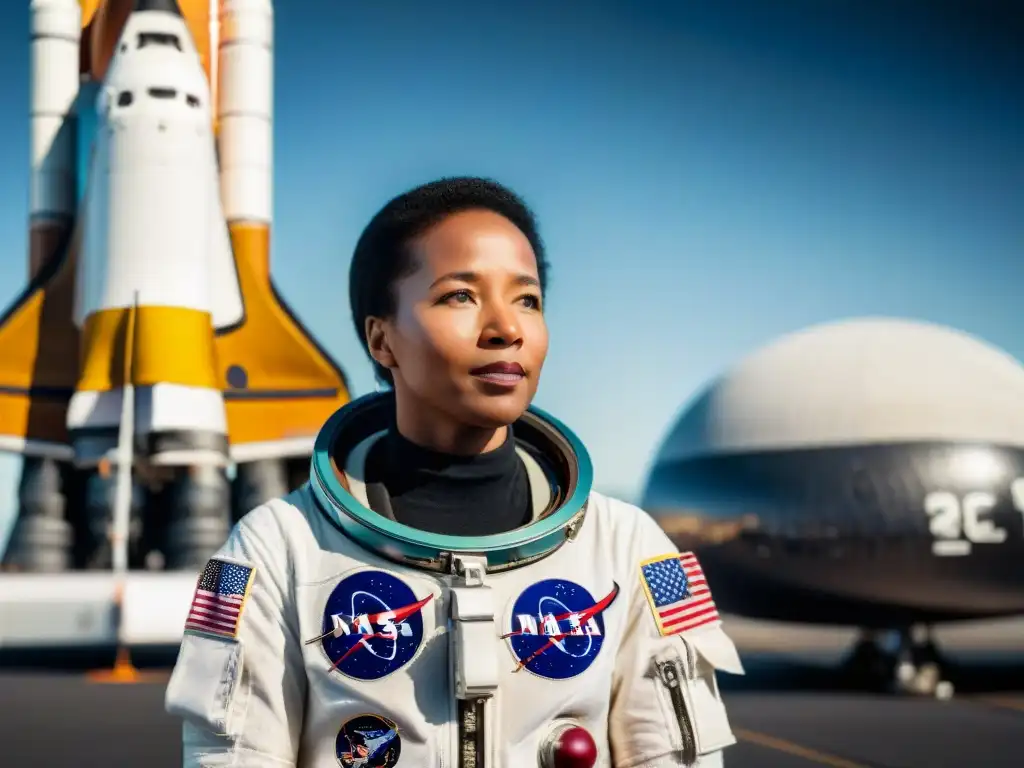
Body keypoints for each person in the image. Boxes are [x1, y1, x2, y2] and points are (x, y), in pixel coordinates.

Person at [165, 177, 745, 768]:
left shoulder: (635, 550)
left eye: (528, 300)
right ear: (381, 339)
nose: (505, 329)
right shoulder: (270, 550)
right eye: (460, 296)